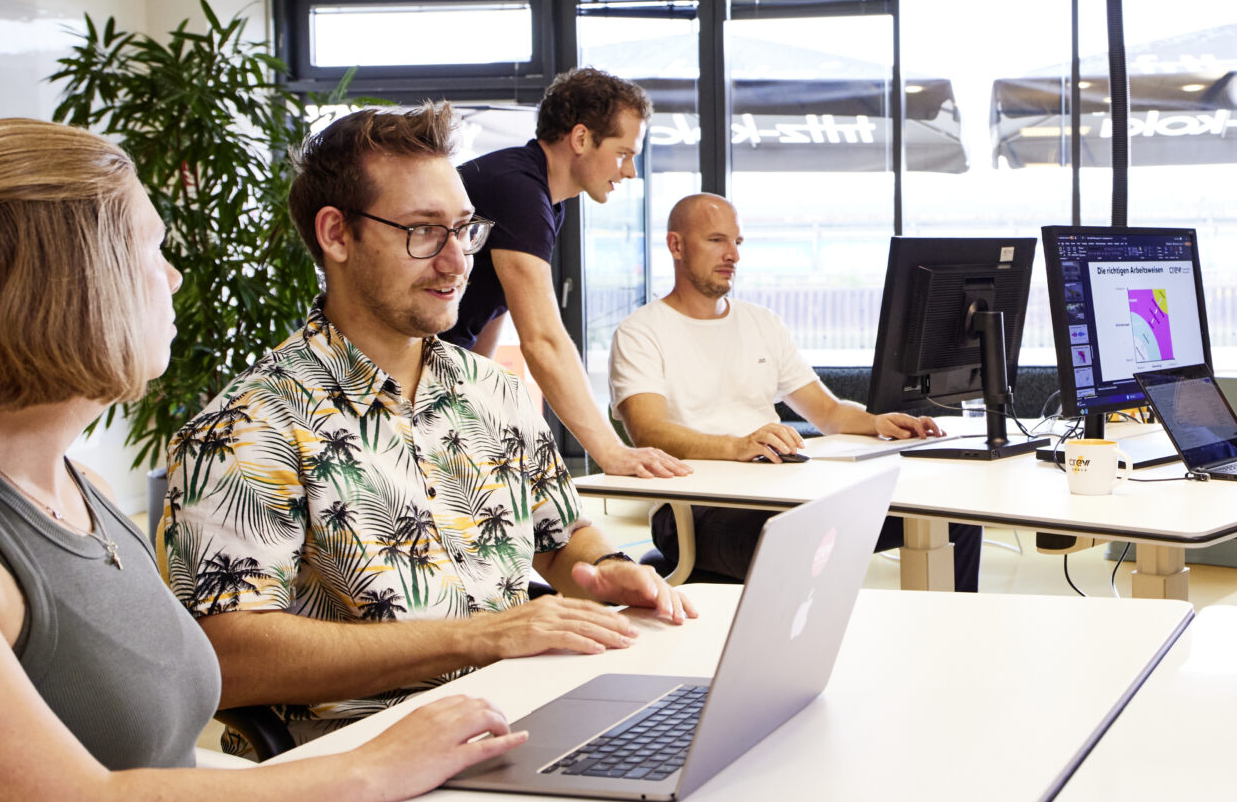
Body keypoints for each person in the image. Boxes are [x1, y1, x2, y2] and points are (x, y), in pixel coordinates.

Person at [0, 119, 528, 802]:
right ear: (69, 283)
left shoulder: (80, 488)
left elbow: (158, 765)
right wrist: (371, 769)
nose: (175, 279)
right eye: (152, 251)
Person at [165, 103, 691, 749]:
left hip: (529, 710)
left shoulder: (493, 392)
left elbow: (559, 537)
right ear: (336, 235)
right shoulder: (248, 426)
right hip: (365, 758)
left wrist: (606, 568)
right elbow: (226, 658)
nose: (457, 262)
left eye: (465, 230)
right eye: (422, 232)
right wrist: (479, 637)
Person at [610, 194, 986, 590]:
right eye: (717, 240)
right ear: (676, 245)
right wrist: (736, 445)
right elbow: (647, 432)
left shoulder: (762, 323)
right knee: (804, 541)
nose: (732, 255)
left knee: (953, 516)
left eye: (738, 243)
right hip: (694, 509)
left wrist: (877, 421)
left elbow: (828, 412)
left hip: (780, 491)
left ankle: (949, 641)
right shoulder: (641, 332)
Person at [447, 69, 691, 480]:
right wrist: (611, 452)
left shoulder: (539, 194)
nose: (630, 171)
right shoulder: (519, 190)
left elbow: (497, 302)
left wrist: (465, 391)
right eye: (623, 153)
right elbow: (541, 339)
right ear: (580, 139)